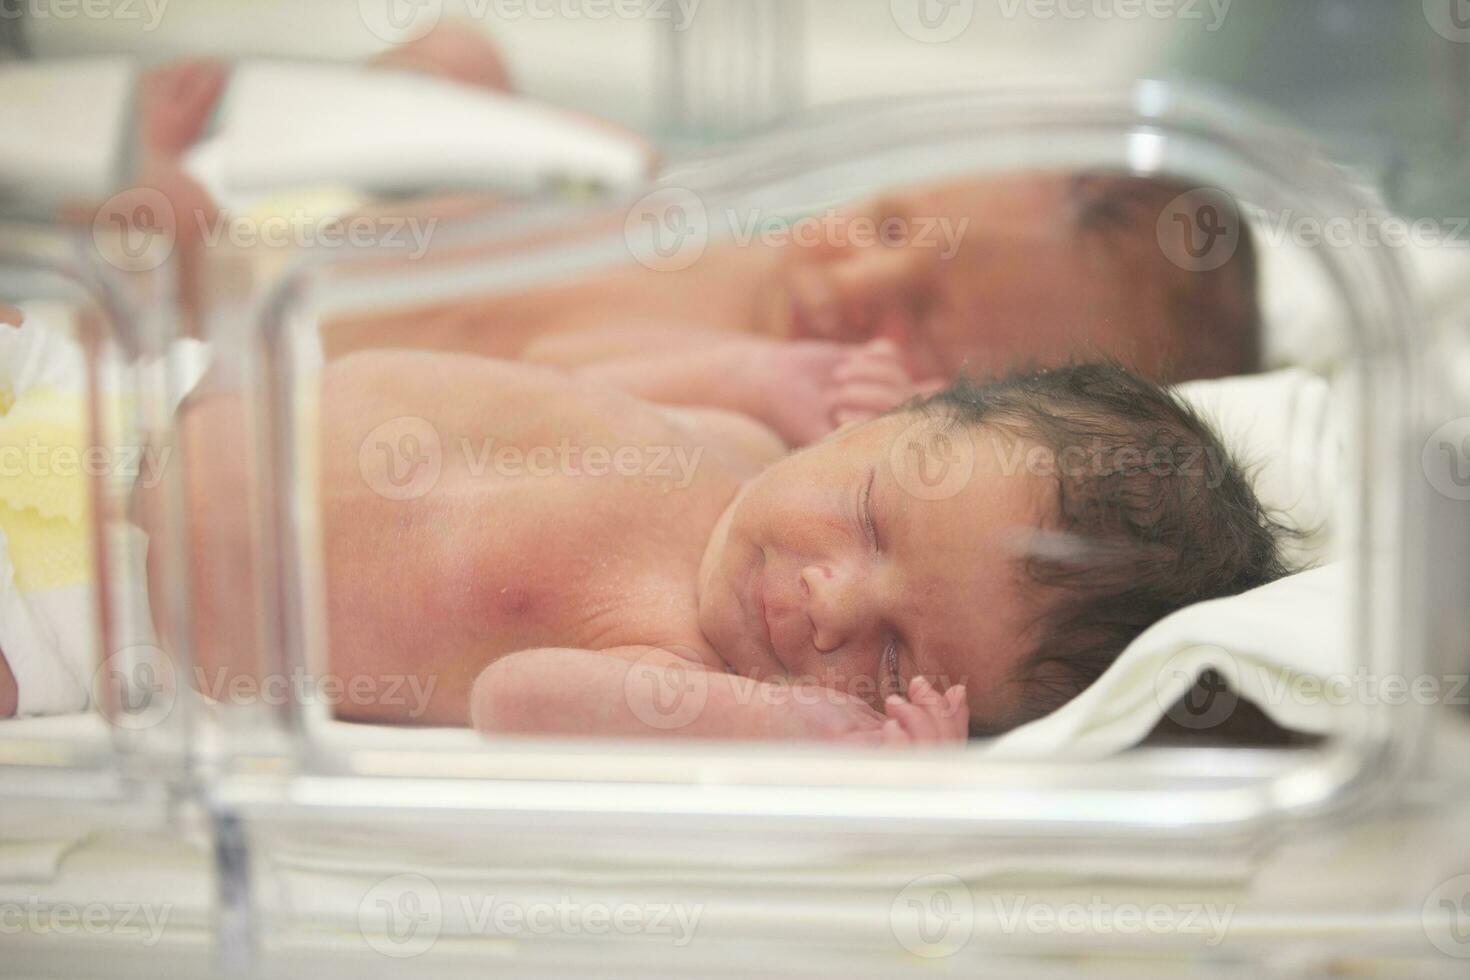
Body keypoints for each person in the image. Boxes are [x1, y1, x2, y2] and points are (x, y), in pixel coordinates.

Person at [115, 351, 1287, 742]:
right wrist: (751, 364)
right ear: (884, 417)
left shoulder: (690, 669)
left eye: (888, 660)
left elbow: (515, 699)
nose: (833, 601)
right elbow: (559, 383)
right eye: (874, 522)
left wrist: (804, 729)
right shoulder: (726, 439)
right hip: (150, 391)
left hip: (108, 606)